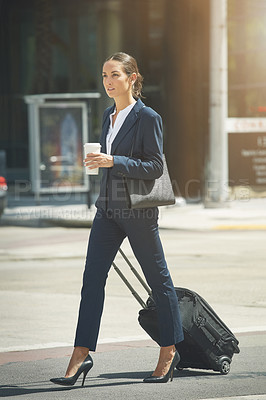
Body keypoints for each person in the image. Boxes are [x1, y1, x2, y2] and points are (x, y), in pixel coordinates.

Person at [50, 52, 184, 387]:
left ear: (132, 78)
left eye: (115, 74)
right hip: (107, 210)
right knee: (91, 281)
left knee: (159, 281)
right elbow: (110, 162)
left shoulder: (148, 117)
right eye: (104, 75)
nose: (108, 81)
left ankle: (169, 351)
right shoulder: (108, 116)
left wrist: (114, 160)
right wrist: (100, 163)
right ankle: (81, 354)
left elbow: (154, 166)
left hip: (138, 211)